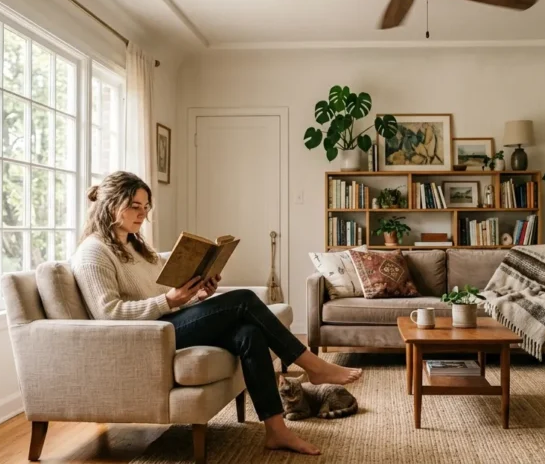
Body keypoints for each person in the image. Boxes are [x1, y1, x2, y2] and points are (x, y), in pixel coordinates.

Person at [70, 171, 361, 455]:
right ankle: (313, 366)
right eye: (134, 206)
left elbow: (165, 297)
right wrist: (168, 302)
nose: (142, 214)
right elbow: (109, 314)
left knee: (249, 333)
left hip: (164, 325)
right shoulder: (93, 252)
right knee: (244, 299)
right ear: (110, 204)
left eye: (145, 207)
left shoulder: (135, 246)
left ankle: (276, 430)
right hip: (148, 338)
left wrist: (196, 294)